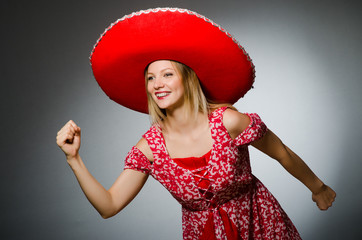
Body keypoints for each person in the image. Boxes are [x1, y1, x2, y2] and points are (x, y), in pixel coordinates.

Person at [56, 8, 336, 239]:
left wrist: (318, 188)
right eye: (150, 78)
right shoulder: (151, 147)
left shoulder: (228, 121)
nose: (157, 85)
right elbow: (110, 205)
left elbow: (282, 153)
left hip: (261, 226)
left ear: (187, 79)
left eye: (167, 74)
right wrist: (74, 159)